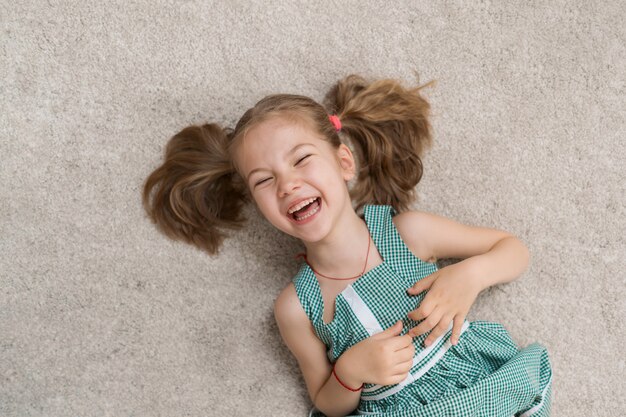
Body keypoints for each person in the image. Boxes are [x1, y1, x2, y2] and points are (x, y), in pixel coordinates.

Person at [142, 74, 552, 417]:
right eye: (264, 181)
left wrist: (469, 275)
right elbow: (326, 402)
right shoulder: (296, 307)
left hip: (480, 391)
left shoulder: (408, 233)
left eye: (301, 159)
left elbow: (513, 250)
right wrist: (350, 371)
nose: (287, 185)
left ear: (343, 163)